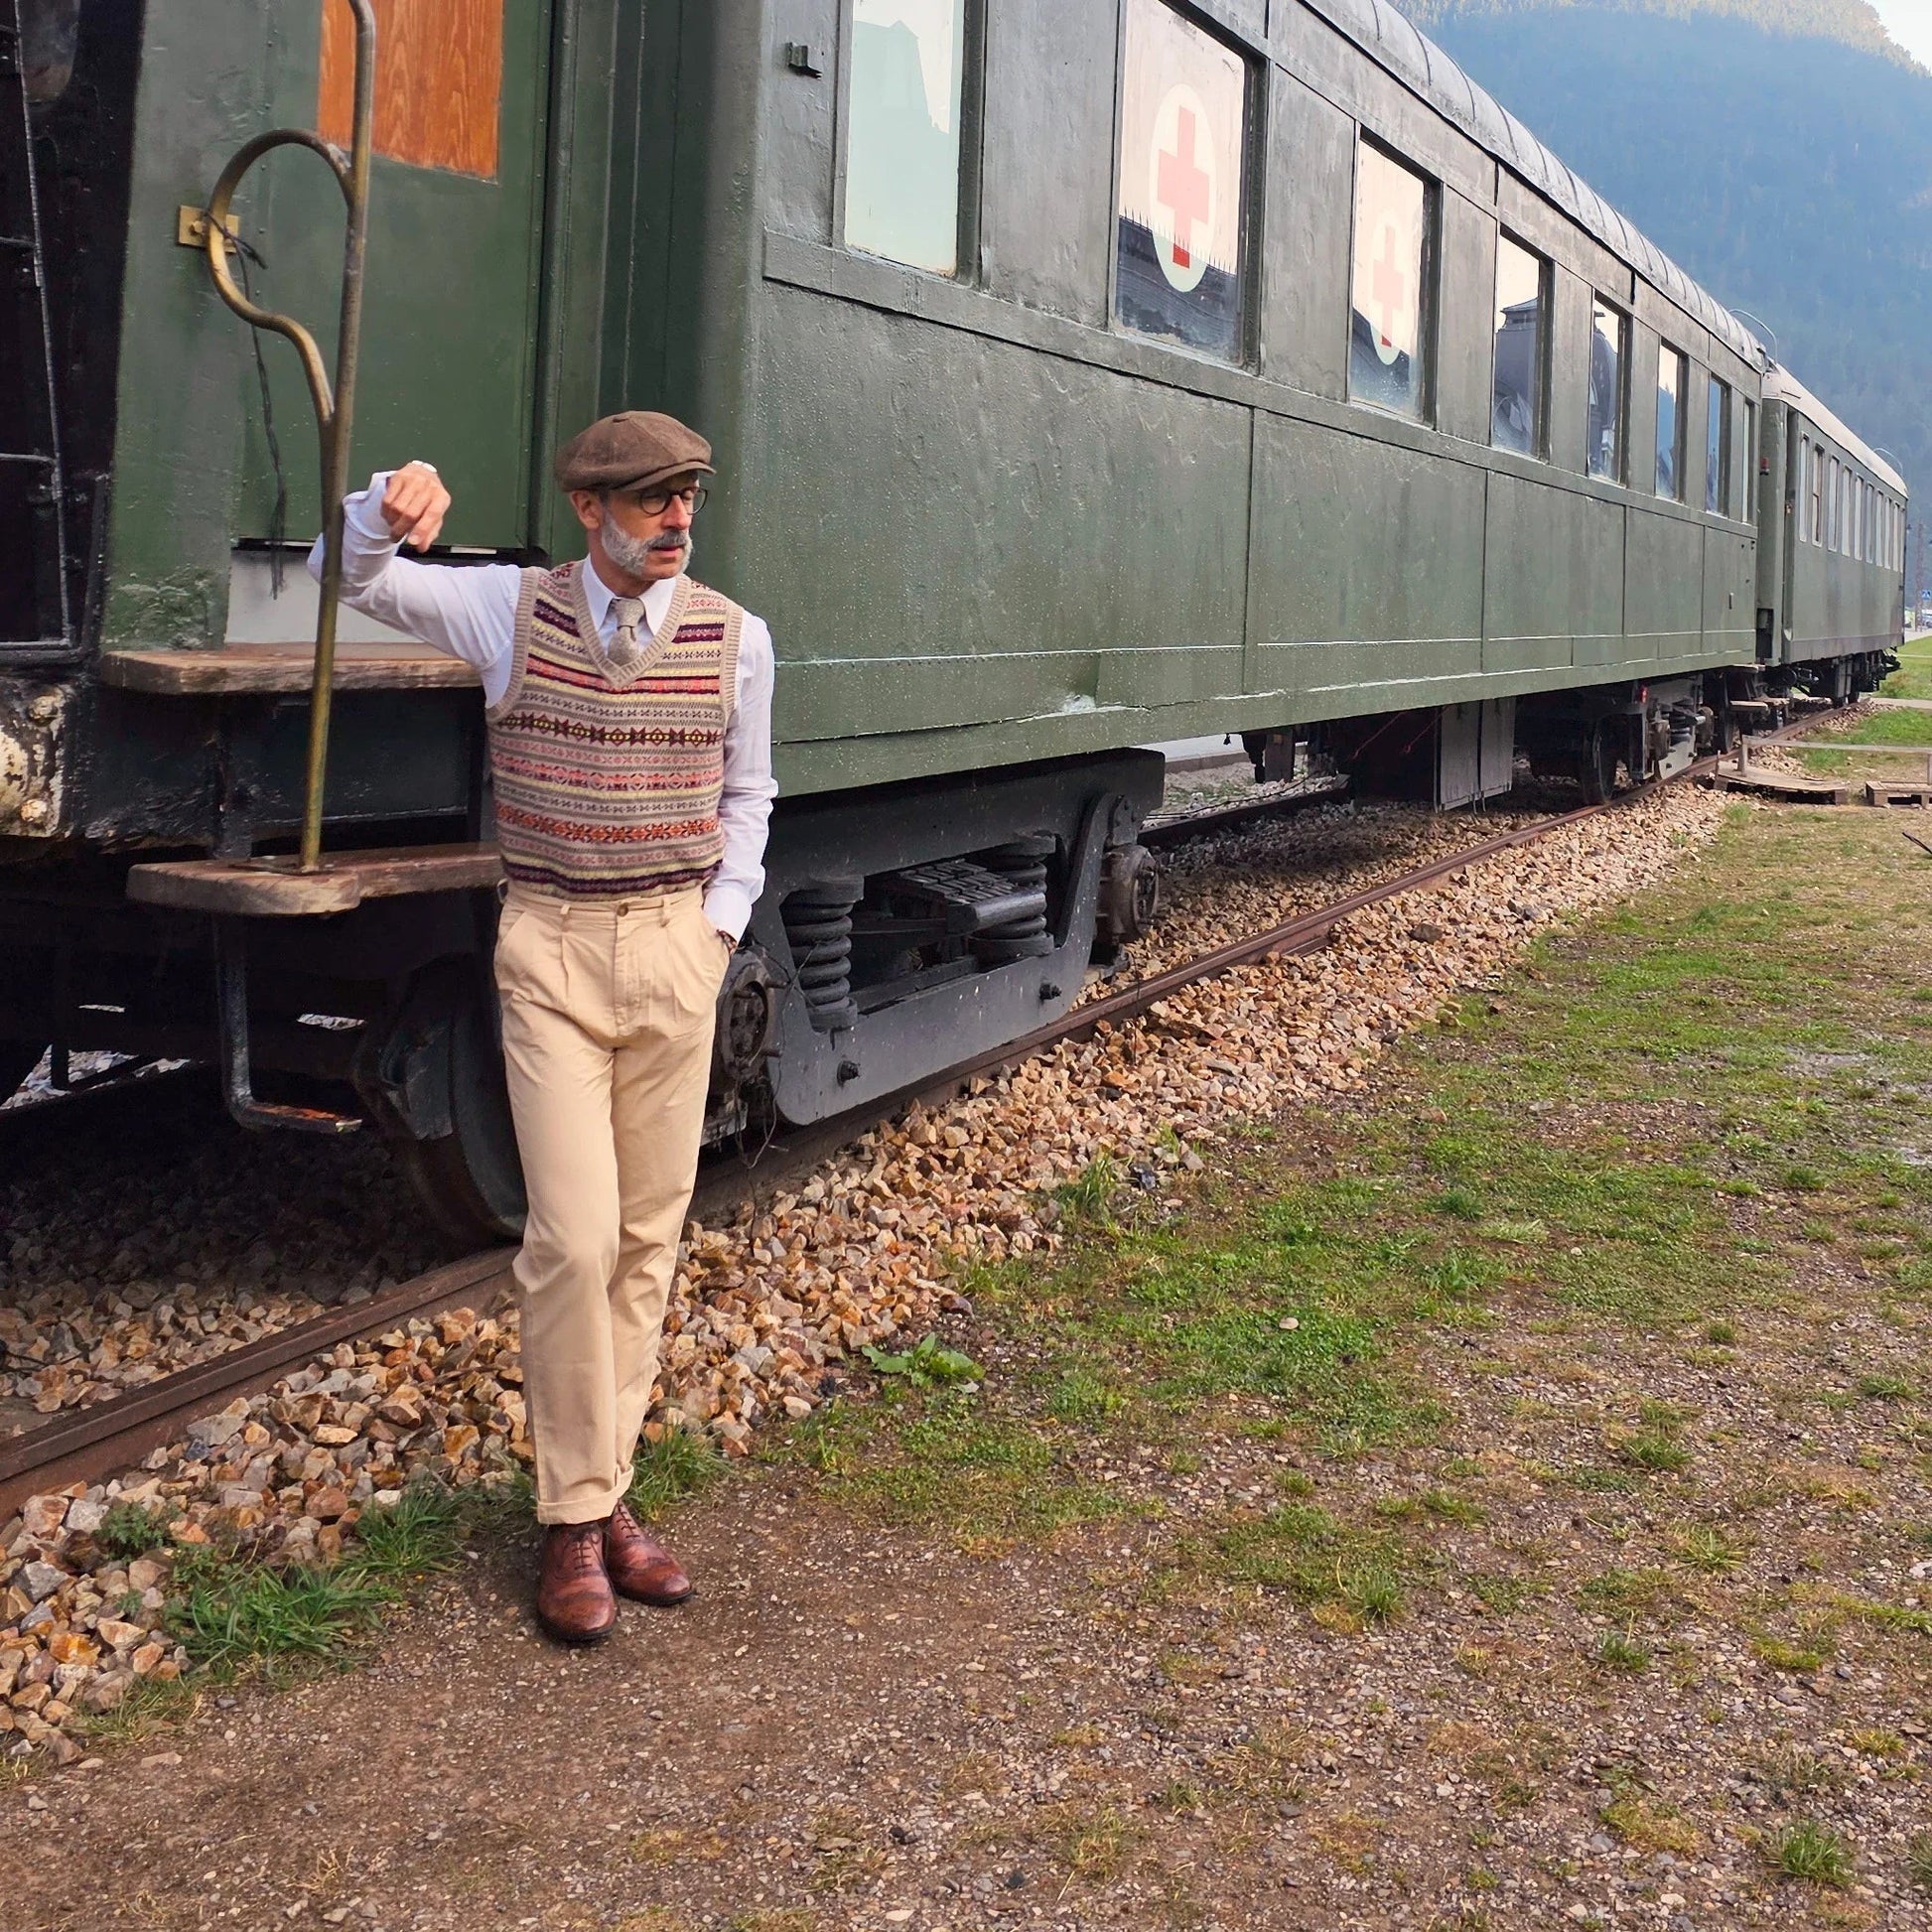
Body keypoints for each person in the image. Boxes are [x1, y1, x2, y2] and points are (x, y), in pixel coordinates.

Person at [310, 411, 776, 1643]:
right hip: (555, 953)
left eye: (687, 498)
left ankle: (600, 1494)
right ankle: (577, 1520)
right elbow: (339, 579)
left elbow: (748, 788)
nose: (676, 520)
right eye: (649, 502)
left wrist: (720, 925)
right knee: (569, 1239)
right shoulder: (505, 612)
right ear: (590, 509)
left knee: (644, 1238)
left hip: (675, 949)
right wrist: (385, 507)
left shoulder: (737, 637)